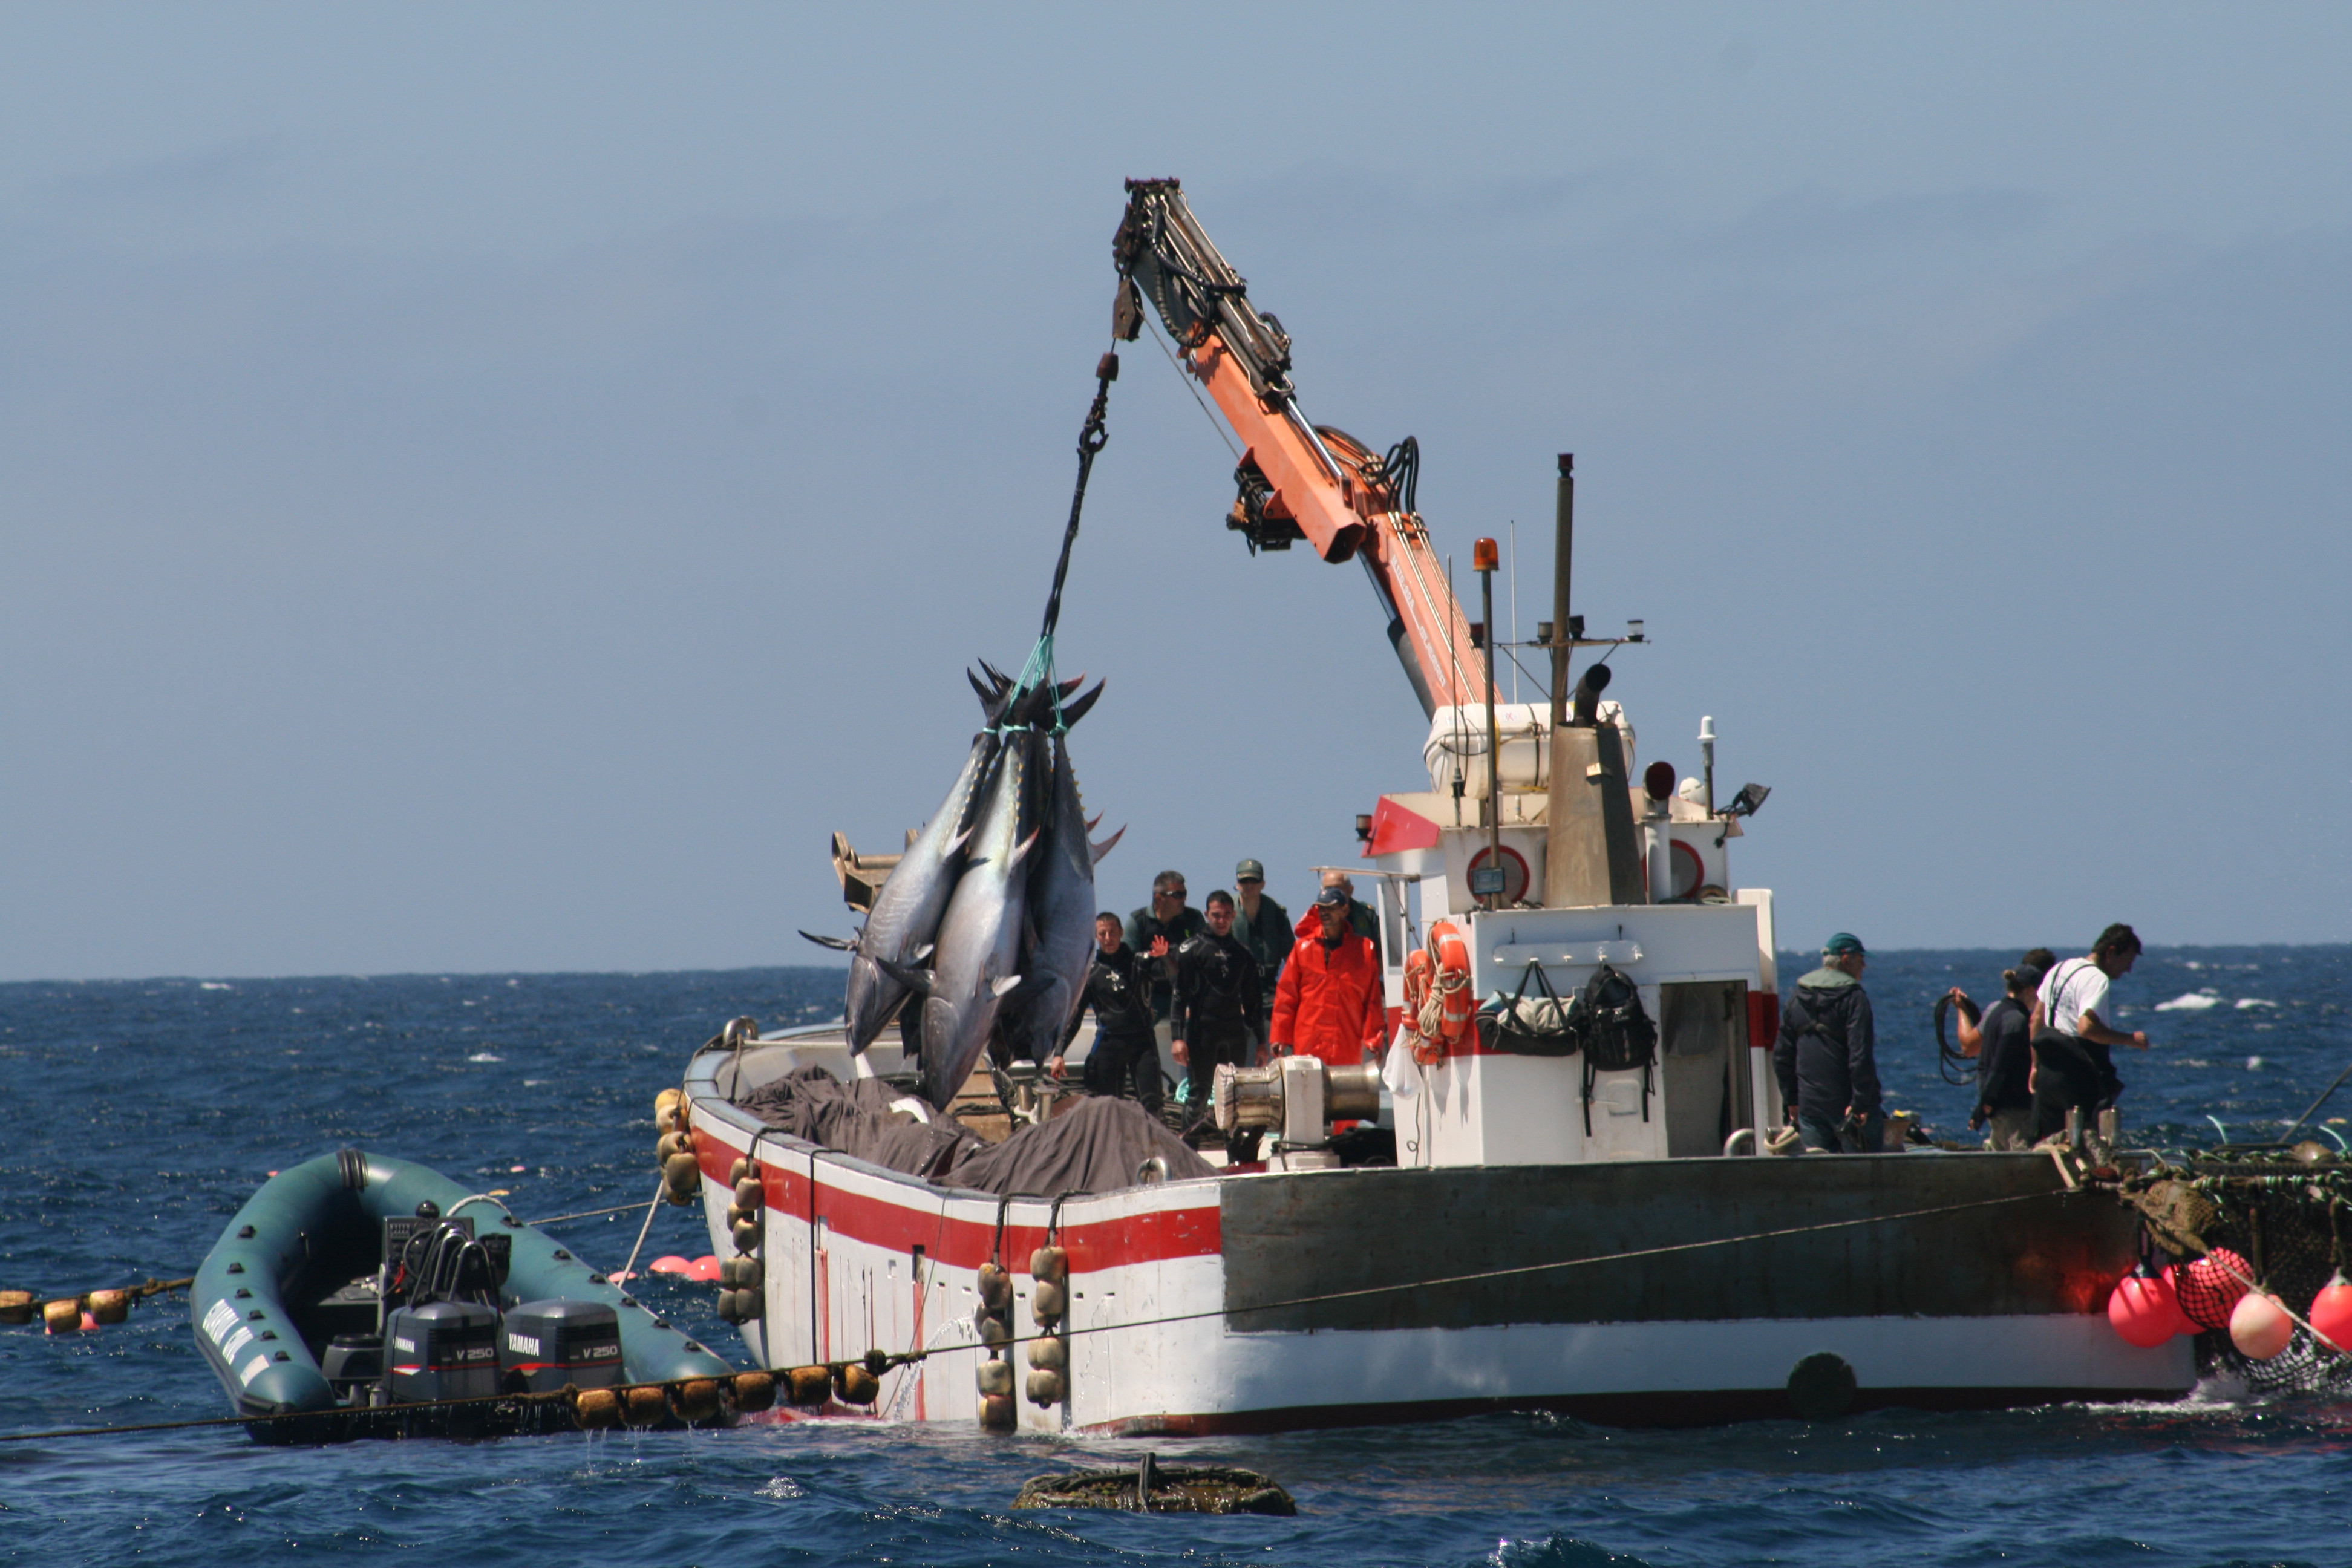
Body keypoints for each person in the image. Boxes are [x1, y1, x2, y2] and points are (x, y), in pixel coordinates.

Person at [2031, 924, 2149, 1142]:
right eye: (2128, 961)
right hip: (2077, 1074)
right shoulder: (2096, 978)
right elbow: (2086, 1028)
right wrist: (2129, 1039)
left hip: (2049, 1073)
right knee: (2086, 1141)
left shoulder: (2059, 969)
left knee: (2049, 1141)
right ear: (2111, 952)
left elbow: (2036, 1019)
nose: (2128, 969)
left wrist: (2035, 1066)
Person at [1771, 932, 1883, 1153]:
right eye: (1861, 959)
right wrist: (1860, 1103)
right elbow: (1860, 1055)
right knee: (1863, 1176)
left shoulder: (1796, 998)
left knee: (1819, 1176)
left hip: (1810, 1108)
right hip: (1849, 1109)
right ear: (1846, 960)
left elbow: (1782, 1055)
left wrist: (1792, 1099)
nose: (1865, 966)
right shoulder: (1854, 999)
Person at [1169, 890, 1263, 1151]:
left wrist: (1262, 1041)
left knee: (1233, 1096)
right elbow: (1179, 997)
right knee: (1198, 1096)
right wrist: (1177, 1038)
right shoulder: (1191, 951)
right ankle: (1188, 1156)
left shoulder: (1243, 955)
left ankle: (1236, 1157)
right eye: (1216, 915)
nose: (1221, 921)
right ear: (1207, 915)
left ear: (1233, 916)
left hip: (1234, 1034)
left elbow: (1253, 1002)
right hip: (1201, 1034)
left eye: (1226, 916)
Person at [1053, 913, 1163, 1116]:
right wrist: (1059, 1052)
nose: (1108, 937)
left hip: (1142, 1042)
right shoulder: (1091, 974)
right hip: (1109, 1043)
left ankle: (1151, 1147)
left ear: (1121, 933)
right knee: (1107, 1110)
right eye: (1102, 933)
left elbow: (1167, 972)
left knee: (1152, 1105)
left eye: (1113, 932)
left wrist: (1163, 957)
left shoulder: (1139, 963)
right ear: (1095, 937)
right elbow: (1075, 1019)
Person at [1270, 886, 1386, 1070]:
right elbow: (1286, 996)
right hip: (1307, 1044)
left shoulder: (1364, 950)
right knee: (1307, 1094)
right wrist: (1280, 1037)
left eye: (1330, 908)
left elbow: (1372, 1001)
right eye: (1321, 908)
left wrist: (1374, 1040)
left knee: (1344, 1096)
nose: (1324, 913)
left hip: (1346, 1045)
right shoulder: (1302, 949)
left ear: (1345, 910)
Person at [1946, 956, 2045, 1149]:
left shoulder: (1996, 1012)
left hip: (1999, 1111)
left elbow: (1986, 1064)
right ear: (2031, 990)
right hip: (2014, 1112)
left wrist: (1985, 1104)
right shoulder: (2017, 1020)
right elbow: (2000, 1066)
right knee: (2020, 1169)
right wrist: (1980, 1110)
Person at [1126, 870, 1206, 1032]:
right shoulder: (1138, 922)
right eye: (1177, 895)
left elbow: (1203, 962)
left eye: (1185, 894)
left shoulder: (1194, 919)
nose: (1184, 899)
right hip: (1151, 996)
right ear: (1159, 898)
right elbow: (1126, 966)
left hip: (1186, 993)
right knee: (1134, 1026)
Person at [1230, 858, 1289, 1037]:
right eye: (1244, 881)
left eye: (1254, 881)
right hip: (1235, 990)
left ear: (1262, 884)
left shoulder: (1276, 914)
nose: (1249, 886)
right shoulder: (1225, 913)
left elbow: (1294, 960)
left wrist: (1284, 993)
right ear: (1237, 885)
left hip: (1270, 990)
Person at [1318, 869, 1384, 965]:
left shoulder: (1367, 915)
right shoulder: (1314, 917)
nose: (1332, 894)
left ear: (1350, 890)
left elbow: (1383, 954)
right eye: (1328, 889)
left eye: (1337, 888)